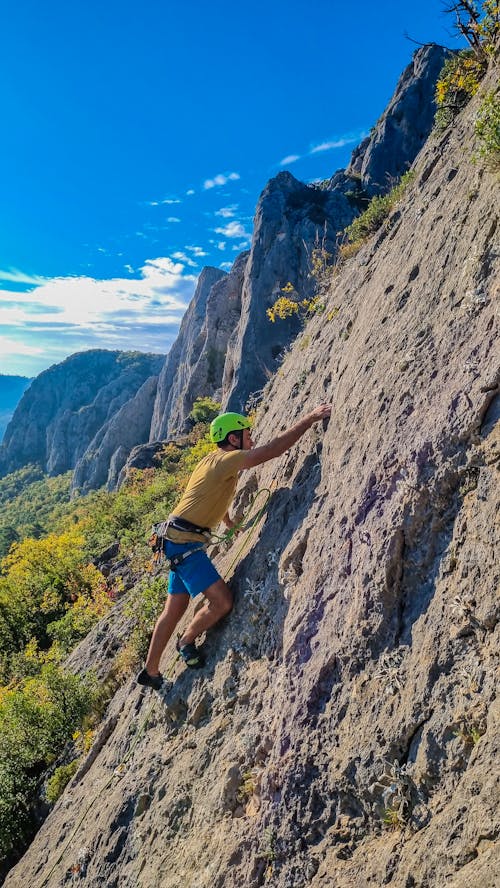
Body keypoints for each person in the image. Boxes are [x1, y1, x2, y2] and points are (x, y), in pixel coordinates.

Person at [137, 404, 331, 689]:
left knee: (174, 609)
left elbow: (207, 493)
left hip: (175, 540)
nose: (251, 439)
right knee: (222, 602)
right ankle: (186, 641)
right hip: (185, 545)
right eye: (246, 434)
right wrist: (310, 418)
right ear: (232, 438)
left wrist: (226, 521)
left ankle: (150, 671)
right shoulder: (227, 460)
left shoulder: (212, 461)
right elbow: (270, 451)